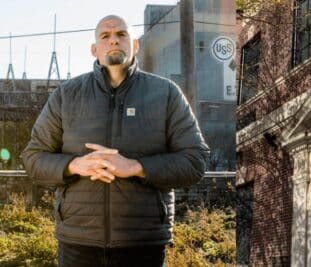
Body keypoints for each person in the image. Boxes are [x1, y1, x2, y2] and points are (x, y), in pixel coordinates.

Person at [21, 14, 209, 267]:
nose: (114, 41)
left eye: (121, 35)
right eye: (105, 36)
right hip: (79, 243)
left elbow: (195, 161)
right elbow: (33, 158)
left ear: (135, 45)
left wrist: (135, 167)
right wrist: (75, 165)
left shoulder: (166, 94)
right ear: (94, 49)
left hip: (143, 243)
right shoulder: (67, 95)